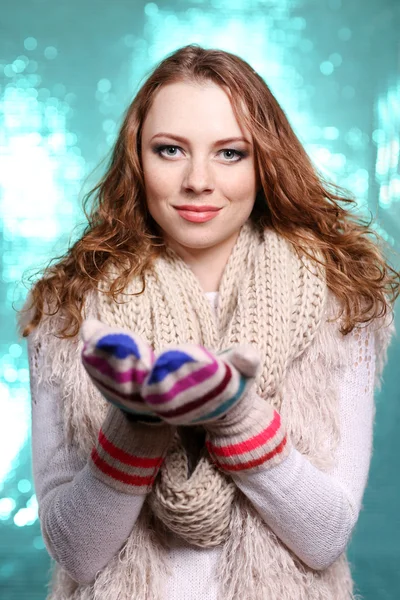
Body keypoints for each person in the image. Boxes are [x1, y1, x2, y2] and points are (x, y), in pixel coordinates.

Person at [17, 44, 399, 600]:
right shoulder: (69, 309)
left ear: (264, 161)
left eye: (230, 153)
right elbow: (76, 553)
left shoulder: (341, 302)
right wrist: (138, 424)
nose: (198, 180)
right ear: (138, 159)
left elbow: (325, 538)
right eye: (170, 150)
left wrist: (235, 415)